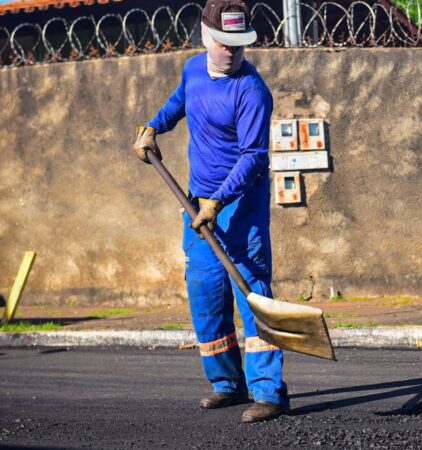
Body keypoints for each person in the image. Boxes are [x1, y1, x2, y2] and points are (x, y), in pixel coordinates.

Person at [132, 0, 288, 423]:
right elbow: (179, 102)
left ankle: (269, 393)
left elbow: (253, 157)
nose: (232, 52)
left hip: (240, 204)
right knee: (205, 292)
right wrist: (152, 127)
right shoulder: (193, 70)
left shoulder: (252, 91)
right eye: (223, 44)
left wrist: (218, 202)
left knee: (251, 291)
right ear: (204, 38)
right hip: (197, 201)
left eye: (239, 45)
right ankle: (227, 385)